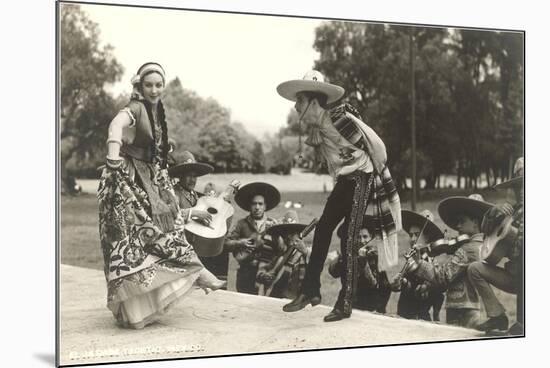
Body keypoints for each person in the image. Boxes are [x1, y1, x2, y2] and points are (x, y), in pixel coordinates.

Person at [97, 62, 224, 329]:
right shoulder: (136, 107)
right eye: (149, 85)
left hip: (149, 177)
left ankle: (190, 275)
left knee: (163, 229)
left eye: (158, 85)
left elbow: (148, 145)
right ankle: (196, 273)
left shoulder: (156, 112)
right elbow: (116, 125)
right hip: (126, 179)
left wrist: (163, 150)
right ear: (140, 87)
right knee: (136, 239)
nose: (154, 90)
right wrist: (112, 155)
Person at [277, 70, 401, 322]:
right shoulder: (320, 130)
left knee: (349, 238)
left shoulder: (339, 118)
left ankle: (345, 303)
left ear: (313, 102)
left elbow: (376, 145)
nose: (296, 106)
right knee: (323, 230)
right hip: (346, 181)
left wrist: (377, 170)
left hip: (362, 179)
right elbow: (336, 163)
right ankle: (310, 290)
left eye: (299, 101)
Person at [403, 195, 494, 328]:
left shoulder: (468, 249)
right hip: (470, 306)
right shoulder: (480, 245)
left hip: (461, 311)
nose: (457, 226)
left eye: (462, 221)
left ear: (475, 222)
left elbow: (443, 276)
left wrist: (419, 263)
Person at [467, 157, 524, 335]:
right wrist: (493, 213)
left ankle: (523, 324)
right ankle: (498, 317)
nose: (521, 190)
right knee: (475, 268)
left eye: (524, 184)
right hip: (514, 276)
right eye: (517, 186)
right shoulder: (513, 211)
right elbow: (484, 230)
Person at [169, 151, 232, 285]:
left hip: (195, 244)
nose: (192, 180)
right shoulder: (174, 193)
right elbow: (169, 215)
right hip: (179, 245)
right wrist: (193, 213)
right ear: (180, 176)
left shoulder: (195, 196)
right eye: (188, 176)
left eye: (195, 176)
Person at [224, 182, 281, 294]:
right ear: (249, 206)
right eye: (254, 204)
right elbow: (226, 243)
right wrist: (240, 243)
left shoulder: (273, 224)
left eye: (260, 204)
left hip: (266, 275)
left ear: (265, 206)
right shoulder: (241, 224)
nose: (257, 207)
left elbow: (281, 250)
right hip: (245, 273)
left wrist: (277, 233)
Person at [328, 216, 391, 314]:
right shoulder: (347, 256)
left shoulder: (375, 257)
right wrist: (341, 258)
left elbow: (384, 287)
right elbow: (333, 272)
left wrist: (380, 309)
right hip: (351, 306)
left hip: (371, 307)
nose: (362, 240)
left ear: (371, 237)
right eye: (357, 237)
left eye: (365, 237)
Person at [392, 210, 445, 322]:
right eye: (411, 235)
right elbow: (407, 287)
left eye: (417, 235)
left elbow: (431, 294)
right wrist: (400, 282)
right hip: (403, 313)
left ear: (427, 238)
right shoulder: (411, 259)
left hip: (419, 319)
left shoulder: (431, 261)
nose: (412, 239)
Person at [257, 210, 312, 299]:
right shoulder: (278, 253)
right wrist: (265, 276)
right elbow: (261, 271)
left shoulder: (304, 253)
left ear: (299, 234)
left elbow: (316, 267)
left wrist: (305, 251)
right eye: (285, 233)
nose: (289, 236)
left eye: (293, 233)